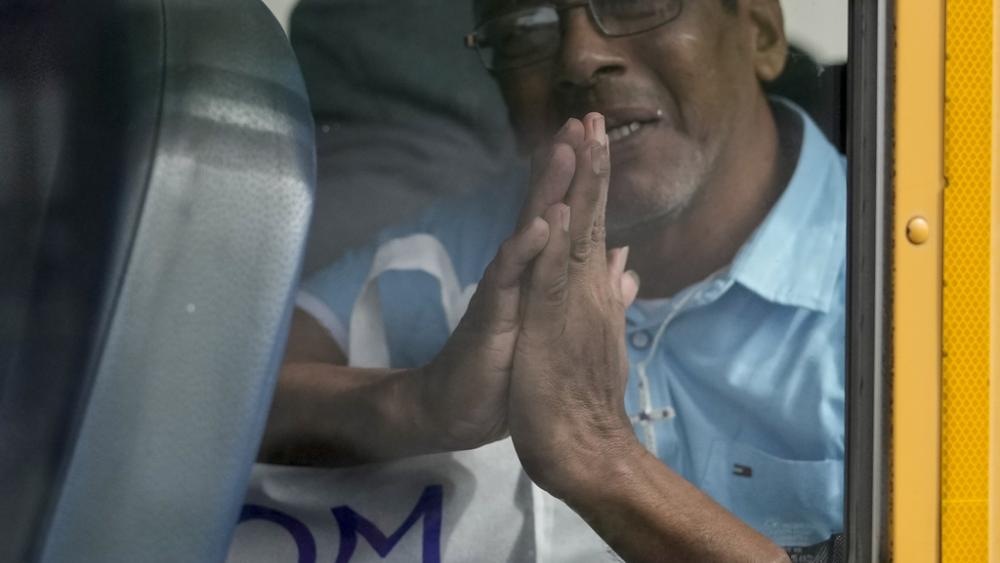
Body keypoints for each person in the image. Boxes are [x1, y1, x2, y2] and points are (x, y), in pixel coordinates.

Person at [255, 0, 844, 560]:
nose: (579, 58)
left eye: (635, 3)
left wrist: (601, 461)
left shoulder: (905, 283)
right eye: (524, 28)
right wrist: (416, 403)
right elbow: (221, 396)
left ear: (761, 32)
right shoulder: (472, 246)